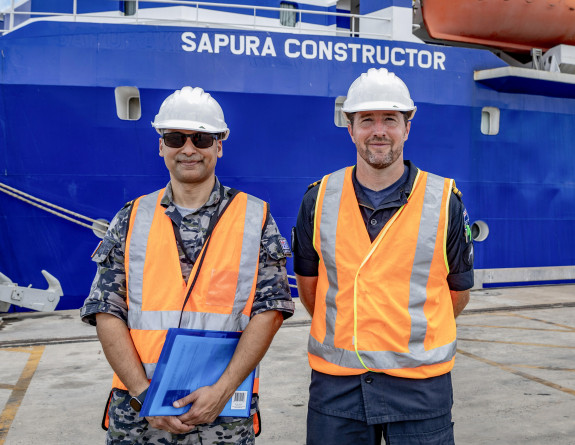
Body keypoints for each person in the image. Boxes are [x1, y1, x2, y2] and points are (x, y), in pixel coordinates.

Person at [81, 86, 294, 445]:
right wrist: (142, 394)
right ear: (161, 145)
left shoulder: (254, 217)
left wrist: (223, 391)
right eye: (176, 138)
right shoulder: (130, 218)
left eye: (202, 138)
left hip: (221, 418)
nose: (189, 149)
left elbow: (269, 310)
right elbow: (106, 311)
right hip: (139, 416)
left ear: (220, 145)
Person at [292, 68, 474, 445]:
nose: (378, 131)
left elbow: (456, 294)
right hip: (336, 390)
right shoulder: (318, 199)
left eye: (390, 119)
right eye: (367, 120)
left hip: (420, 392)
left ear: (407, 127)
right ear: (351, 129)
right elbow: (311, 291)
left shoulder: (445, 203)